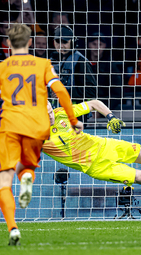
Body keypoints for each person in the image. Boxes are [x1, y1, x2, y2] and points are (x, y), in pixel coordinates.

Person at [0, 24, 83, 246]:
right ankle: (27, 175)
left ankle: (13, 228)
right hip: (37, 126)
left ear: (8, 43)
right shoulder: (43, 64)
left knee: (4, 180)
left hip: (10, 125)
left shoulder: (3, 68)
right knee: (26, 167)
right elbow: (61, 92)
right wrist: (73, 121)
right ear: (29, 43)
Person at [50, 25, 96, 105]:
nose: (61, 45)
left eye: (65, 42)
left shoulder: (80, 61)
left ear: (73, 42)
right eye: (58, 41)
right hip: (56, 111)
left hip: (76, 112)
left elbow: (91, 90)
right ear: (53, 42)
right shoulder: (52, 60)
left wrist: (65, 91)